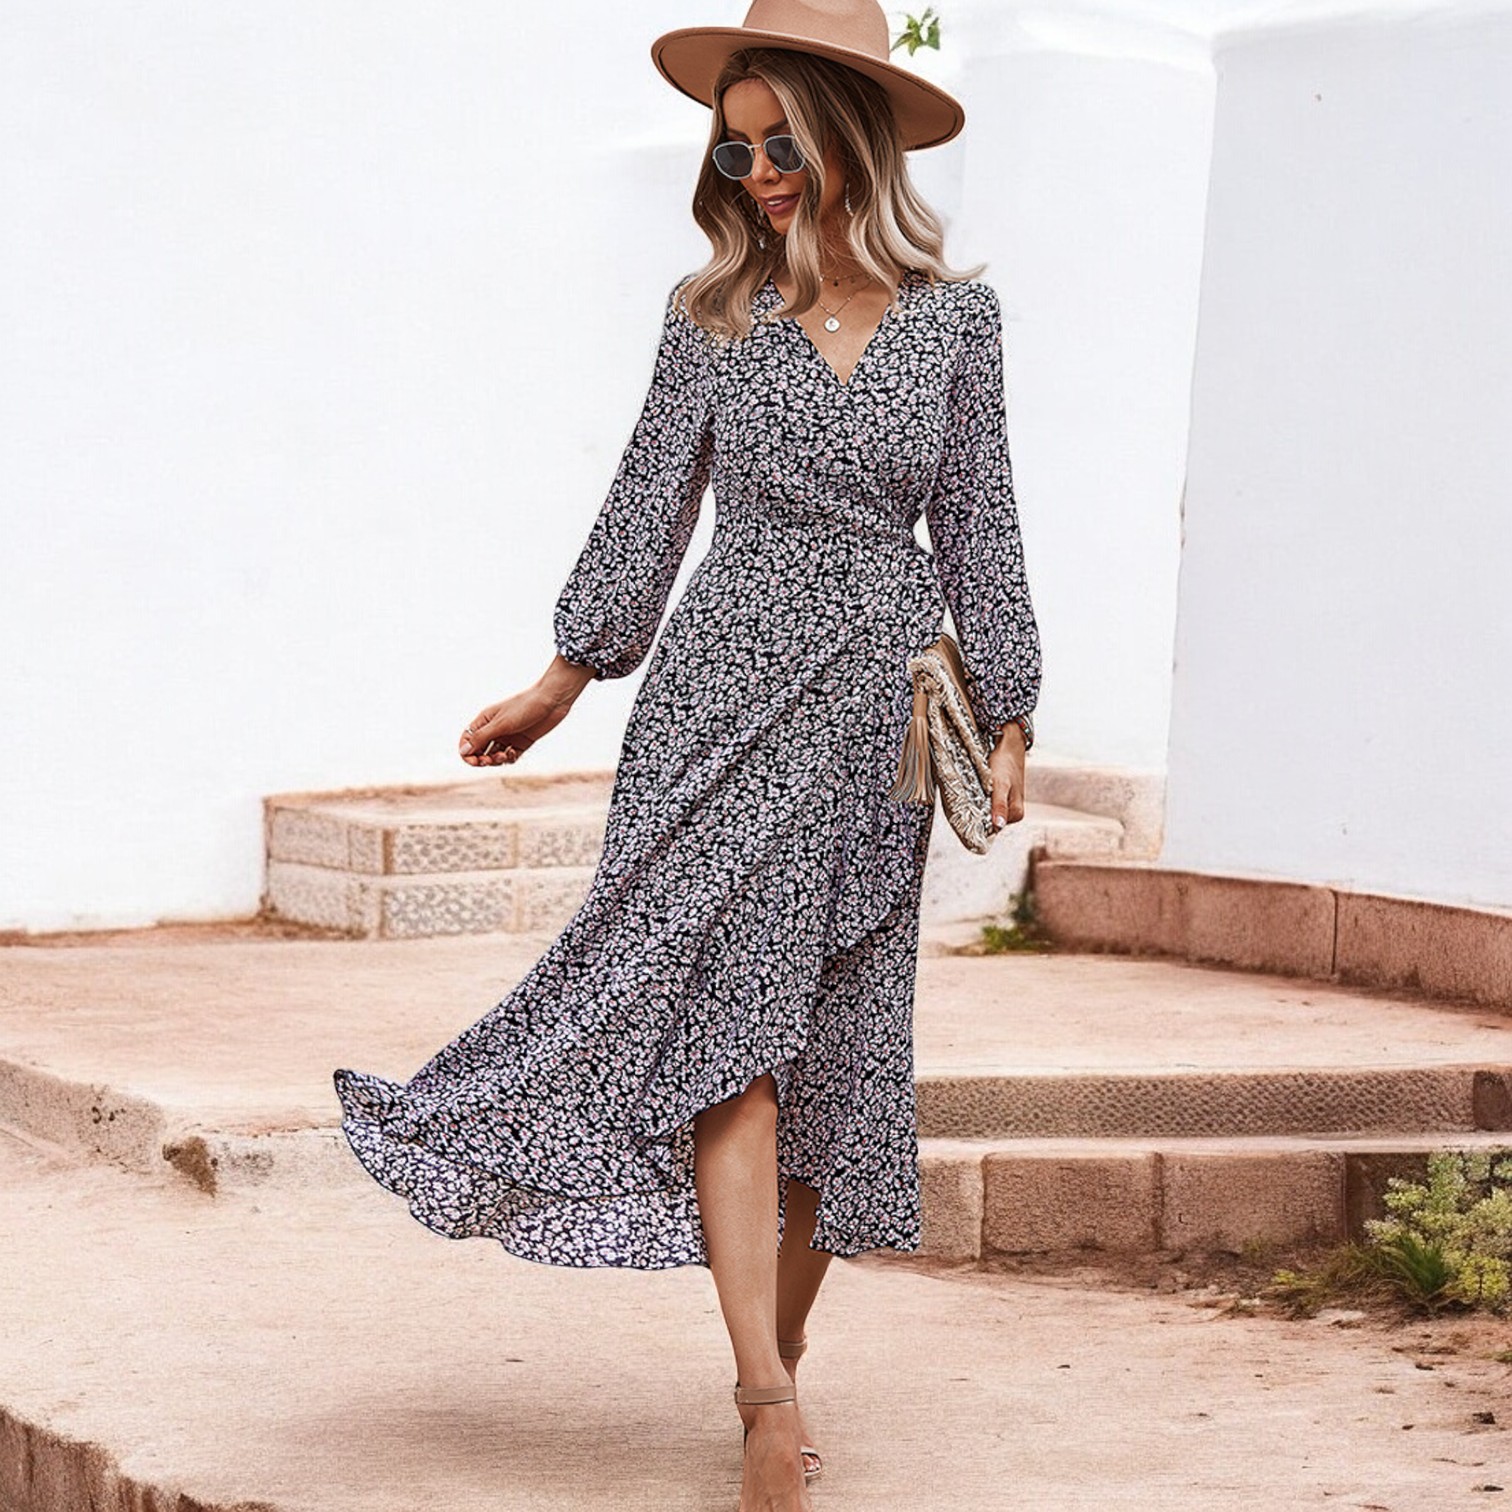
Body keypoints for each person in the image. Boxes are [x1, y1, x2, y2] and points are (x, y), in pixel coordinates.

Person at [332, 1, 1041, 1507]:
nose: (758, 171)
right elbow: (647, 501)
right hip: (716, 705)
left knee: (844, 1051)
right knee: (730, 1033)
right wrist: (562, 678)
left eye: (784, 144)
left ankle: (774, 1356)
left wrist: (1013, 708)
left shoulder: (957, 323)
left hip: (876, 722)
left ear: (851, 140)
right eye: (737, 146)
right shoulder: (709, 316)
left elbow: (982, 519)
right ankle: (763, 1393)